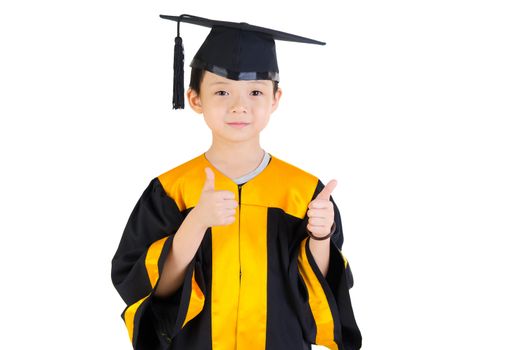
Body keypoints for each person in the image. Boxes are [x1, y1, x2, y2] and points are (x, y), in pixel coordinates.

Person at [111, 14, 362, 350]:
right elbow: (155, 291)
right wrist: (197, 222)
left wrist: (320, 235)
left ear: (275, 99)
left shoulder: (301, 191)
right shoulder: (172, 190)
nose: (239, 106)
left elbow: (319, 290)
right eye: (222, 91)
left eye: (256, 91)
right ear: (195, 99)